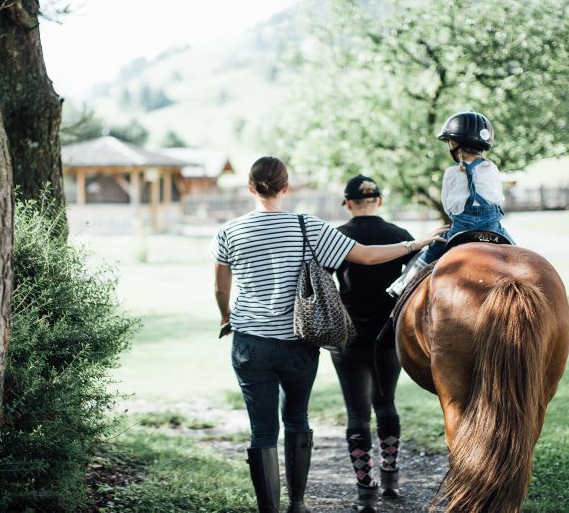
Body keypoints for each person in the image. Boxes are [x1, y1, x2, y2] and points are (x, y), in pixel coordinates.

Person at [209, 157, 445, 513]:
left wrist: (227, 316)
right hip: (299, 343)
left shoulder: (229, 232)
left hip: (249, 343)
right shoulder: (308, 227)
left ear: (251, 188)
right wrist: (415, 245)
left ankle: (269, 509)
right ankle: (299, 504)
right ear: (286, 188)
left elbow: (219, 286)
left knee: (262, 430)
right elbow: (365, 256)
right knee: (297, 420)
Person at [331, 175, 437, 512]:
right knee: (385, 402)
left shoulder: (336, 237)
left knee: (357, 414)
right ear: (379, 200)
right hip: (389, 336)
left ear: (347, 203)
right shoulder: (402, 238)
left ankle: (365, 491)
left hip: (347, 337)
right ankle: (390, 476)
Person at [387, 111, 513, 297]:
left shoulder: (451, 173)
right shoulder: (492, 168)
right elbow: (498, 197)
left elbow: (448, 206)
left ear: (453, 144)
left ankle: (403, 284)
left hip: (461, 229)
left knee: (429, 255)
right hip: (492, 228)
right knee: (517, 254)